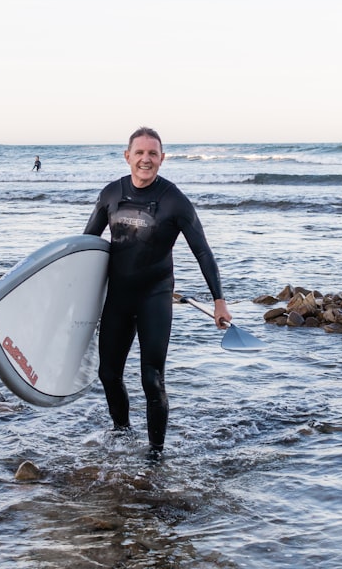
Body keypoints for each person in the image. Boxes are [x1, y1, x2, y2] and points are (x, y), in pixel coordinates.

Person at [83, 126, 231, 459]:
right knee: (108, 374)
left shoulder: (175, 201)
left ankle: (155, 454)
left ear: (162, 159)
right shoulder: (110, 194)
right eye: (140, 153)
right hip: (118, 296)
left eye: (153, 154)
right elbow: (86, 246)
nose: (145, 159)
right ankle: (122, 433)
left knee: (152, 379)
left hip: (155, 296)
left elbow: (203, 252)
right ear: (127, 156)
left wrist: (219, 301)